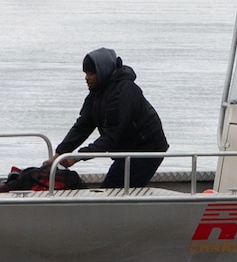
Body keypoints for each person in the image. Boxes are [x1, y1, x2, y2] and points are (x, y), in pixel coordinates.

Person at [54, 48, 168, 188]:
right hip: (127, 148)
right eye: (85, 73)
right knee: (114, 187)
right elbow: (83, 125)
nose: (86, 78)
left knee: (113, 189)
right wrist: (61, 152)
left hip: (147, 148)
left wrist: (77, 157)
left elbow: (110, 137)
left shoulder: (124, 92)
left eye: (91, 73)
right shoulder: (97, 93)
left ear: (102, 71)